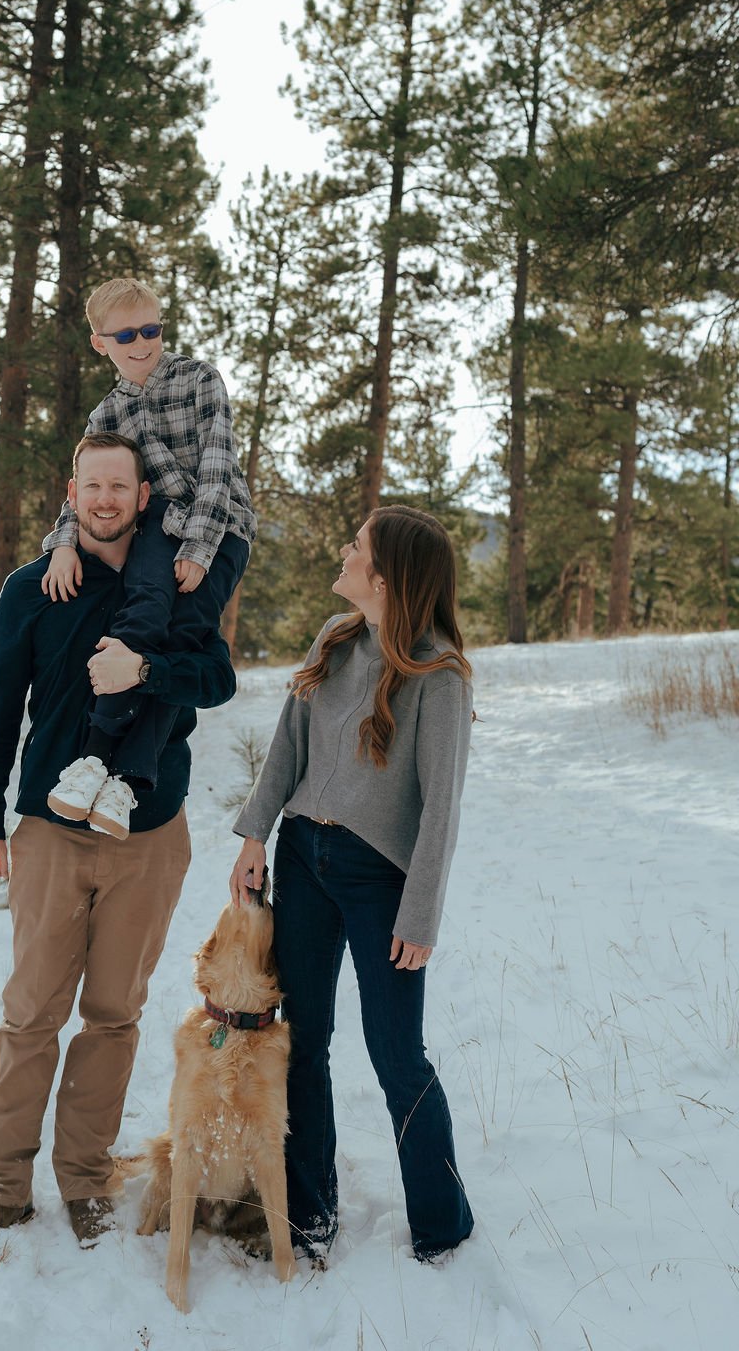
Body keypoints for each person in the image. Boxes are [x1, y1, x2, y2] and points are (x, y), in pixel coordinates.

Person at [0, 433, 237, 1258]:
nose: (106, 498)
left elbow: (217, 679)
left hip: (148, 835)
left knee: (114, 1016)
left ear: (143, 495)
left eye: (121, 485)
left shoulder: (180, 579)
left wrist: (148, 672)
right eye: (92, 485)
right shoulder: (34, 587)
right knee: (31, 1013)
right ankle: (2, 1192)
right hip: (49, 829)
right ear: (70, 495)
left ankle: (86, 1181)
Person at [228, 505, 475, 1266]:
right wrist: (254, 833)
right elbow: (286, 747)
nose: (344, 551)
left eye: (357, 546)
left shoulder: (439, 677)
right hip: (302, 857)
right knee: (301, 1039)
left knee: (397, 1054)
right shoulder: (333, 641)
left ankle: (442, 1223)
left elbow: (441, 809)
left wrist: (421, 913)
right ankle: (309, 1210)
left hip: (381, 879)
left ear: (388, 574)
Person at [41, 276, 256, 842]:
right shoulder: (105, 416)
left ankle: (128, 779)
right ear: (100, 343)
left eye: (152, 329)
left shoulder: (200, 379)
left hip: (221, 525)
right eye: (126, 334)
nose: (142, 343)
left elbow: (218, 468)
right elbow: (88, 485)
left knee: (183, 633)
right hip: (157, 523)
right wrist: (63, 543)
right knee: (141, 616)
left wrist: (201, 550)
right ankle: (91, 761)